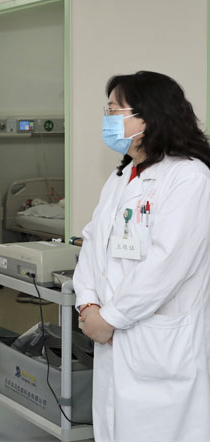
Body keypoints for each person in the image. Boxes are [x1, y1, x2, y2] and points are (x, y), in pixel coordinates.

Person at [74, 71, 210, 441]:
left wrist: (111, 318)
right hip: (113, 336)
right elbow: (93, 242)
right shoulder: (122, 176)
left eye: (114, 110)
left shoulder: (189, 177)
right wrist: (88, 304)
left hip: (158, 346)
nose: (107, 119)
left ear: (147, 117)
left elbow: (167, 265)